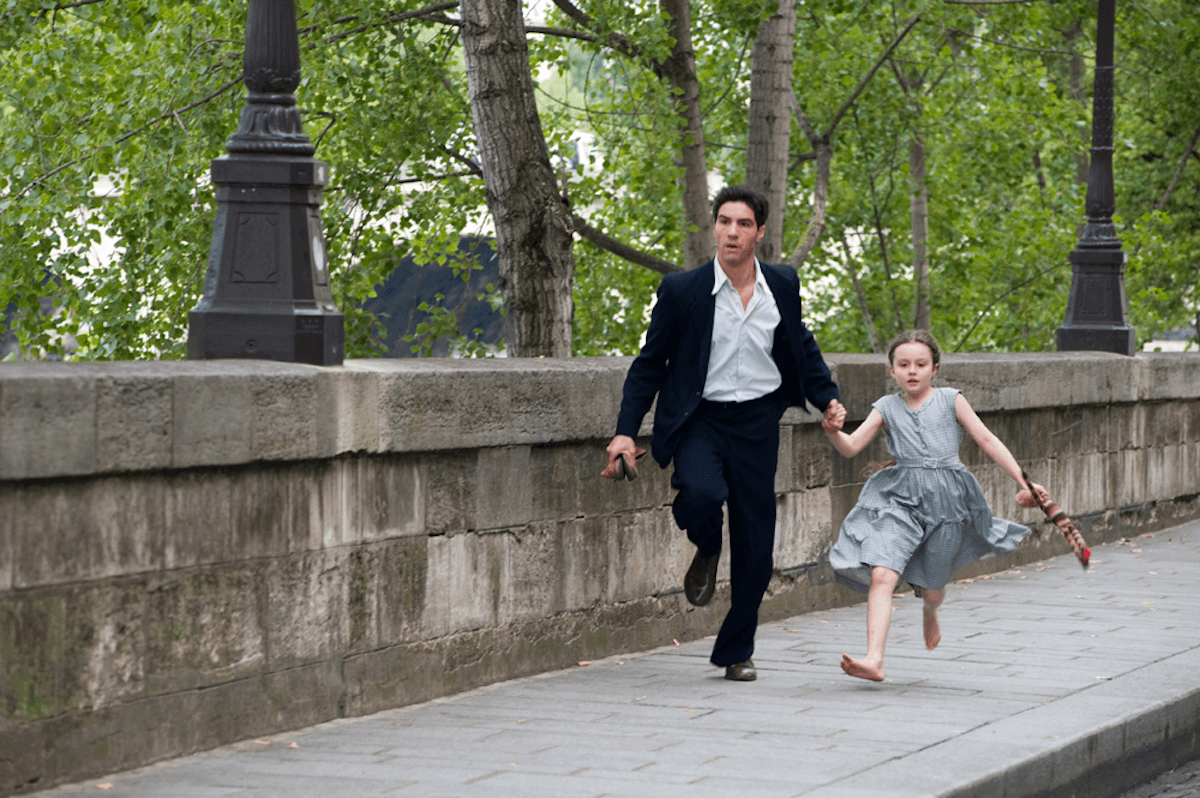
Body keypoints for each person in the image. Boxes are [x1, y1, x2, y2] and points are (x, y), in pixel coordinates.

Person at [604, 184, 841, 682]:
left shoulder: (782, 284)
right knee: (700, 494)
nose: (732, 232)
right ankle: (708, 543)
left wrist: (828, 398)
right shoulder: (683, 291)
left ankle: (737, 651)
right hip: (702, 420)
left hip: (758, 422)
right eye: (724, 222)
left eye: (743, 224)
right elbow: (649, 365)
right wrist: (626, 432)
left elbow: (800, 343)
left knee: (756, 542)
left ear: (760, 232)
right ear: (715, 227)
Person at [822, 329, 1047, 682]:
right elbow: (851, 447)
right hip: (901, 500)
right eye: (903, 365)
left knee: (934, 585)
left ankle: (930, 610)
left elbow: (987, 439)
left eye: (920, 364)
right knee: (882, 573)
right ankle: (874, 659)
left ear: (934, 368)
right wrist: (833, 430)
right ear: (892, 370)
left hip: (948, 502)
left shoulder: (950, 399)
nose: (912, 371)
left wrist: (1025, 482)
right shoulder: (886, 407)